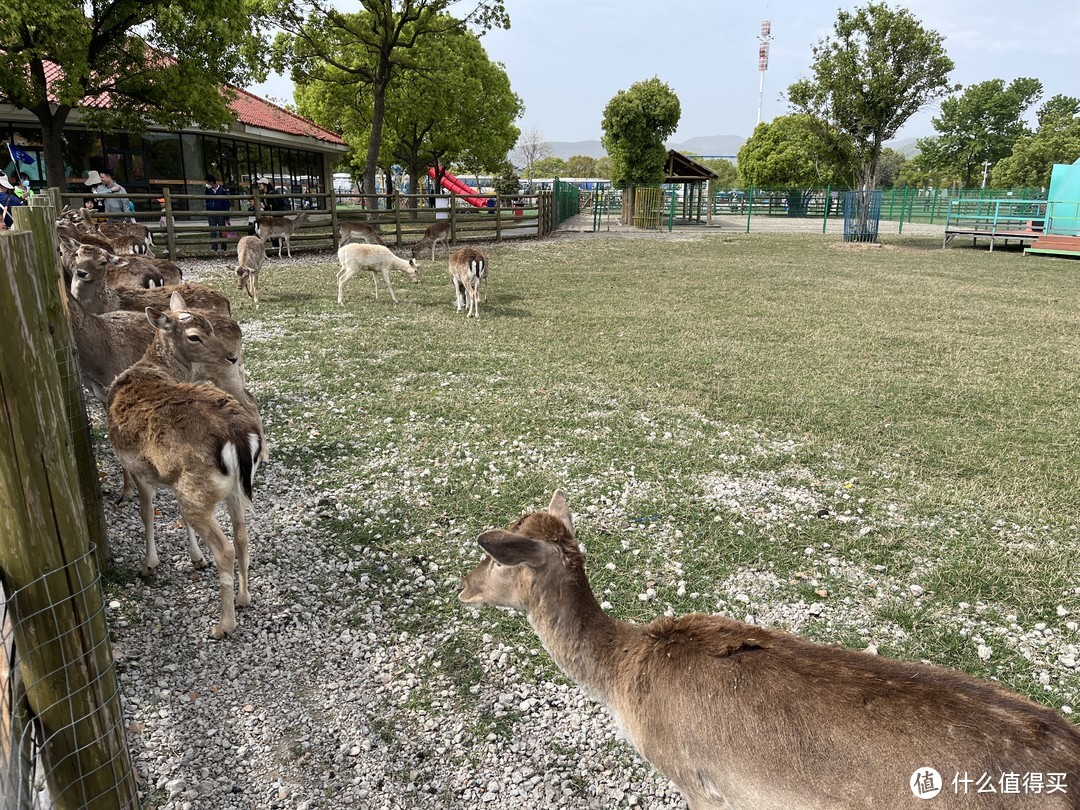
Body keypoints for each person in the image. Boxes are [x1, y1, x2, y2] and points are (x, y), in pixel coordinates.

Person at [205, 174, 231, 252]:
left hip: (221, 213)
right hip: (211, 213)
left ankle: (223, 247)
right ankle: (214, 247)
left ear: (211, 182)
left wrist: (226, 216)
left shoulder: (223, 191)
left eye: (207, 182)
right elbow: (207, 200)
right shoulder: (208, 191)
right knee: (213, 231)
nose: (206, 184)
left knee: (222, 230)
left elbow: (227, 204)